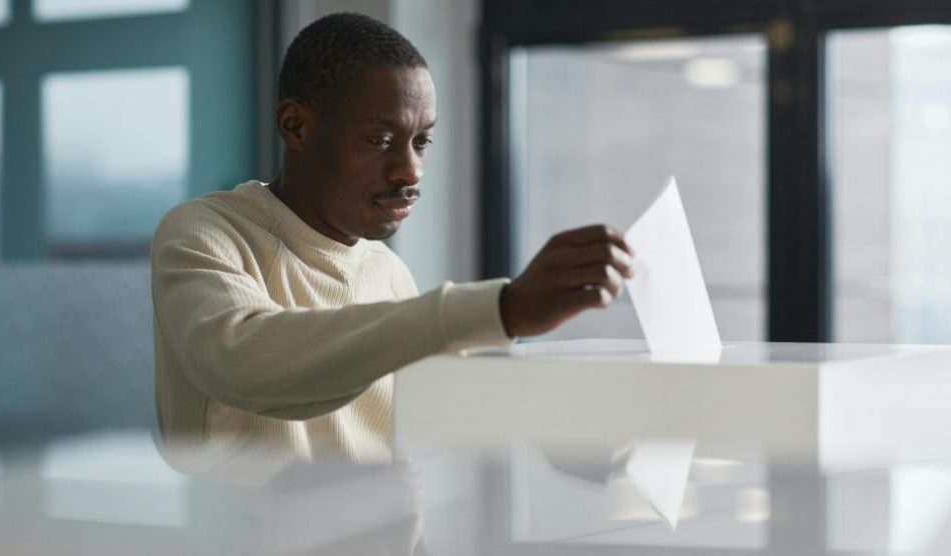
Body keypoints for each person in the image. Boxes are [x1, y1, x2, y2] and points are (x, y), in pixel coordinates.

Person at [150, 12, 633, 476]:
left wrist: (561, 435)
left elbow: (449, 416)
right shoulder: (206, 232)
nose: (411, 171)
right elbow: (242, 359)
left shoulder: (387, 272)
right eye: (381, 140)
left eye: (421, 141)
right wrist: (502, 307)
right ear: (296, 126)